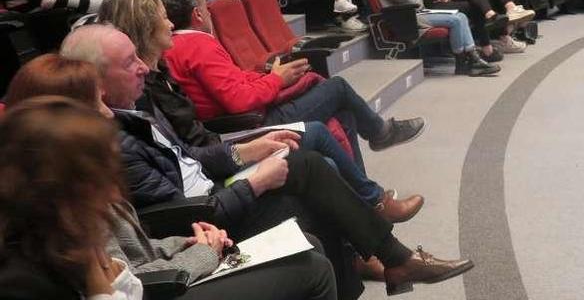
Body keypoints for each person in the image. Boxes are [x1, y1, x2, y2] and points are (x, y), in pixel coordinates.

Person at [60, 23, 474, 299]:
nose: (141, 69)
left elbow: (194, 160)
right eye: (128, 63)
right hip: (206, 218)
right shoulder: (111, 141)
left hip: (213, 195)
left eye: (138, 56)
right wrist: (254, 182)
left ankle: (387, 260)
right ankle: (392, 255)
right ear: (93, 79)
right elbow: (180, 211)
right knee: (311, 169)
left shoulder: (134, 110)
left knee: (311, 168)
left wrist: (246, 152)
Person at [2, 60, 340, 300]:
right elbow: (138, 270)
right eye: (96, 103)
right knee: (310, 264)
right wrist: (205, 251)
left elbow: (190, 157)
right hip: (181, 254)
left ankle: (378, 249)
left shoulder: (72, 181)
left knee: (308, 216)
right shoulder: (64, 228)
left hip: (188, 234)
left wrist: (184, 242)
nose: (107, 112)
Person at [98, 0, 423, 222]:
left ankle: (370, 206)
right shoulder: (190, 50)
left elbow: (234, 85)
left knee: (341, 114)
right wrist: (278, 81)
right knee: (334, 97)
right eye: (161, 19)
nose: (168, 23)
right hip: (242, 127)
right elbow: (236, 101)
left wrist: (271, 77)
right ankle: (375, 185)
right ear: (198, 15)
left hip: (221, 144)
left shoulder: (162, 66)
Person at [0, 96, 145, 300]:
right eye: (100, 180)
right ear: (57, 190)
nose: (114, 194)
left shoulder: (61, 245)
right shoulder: (19, 285)